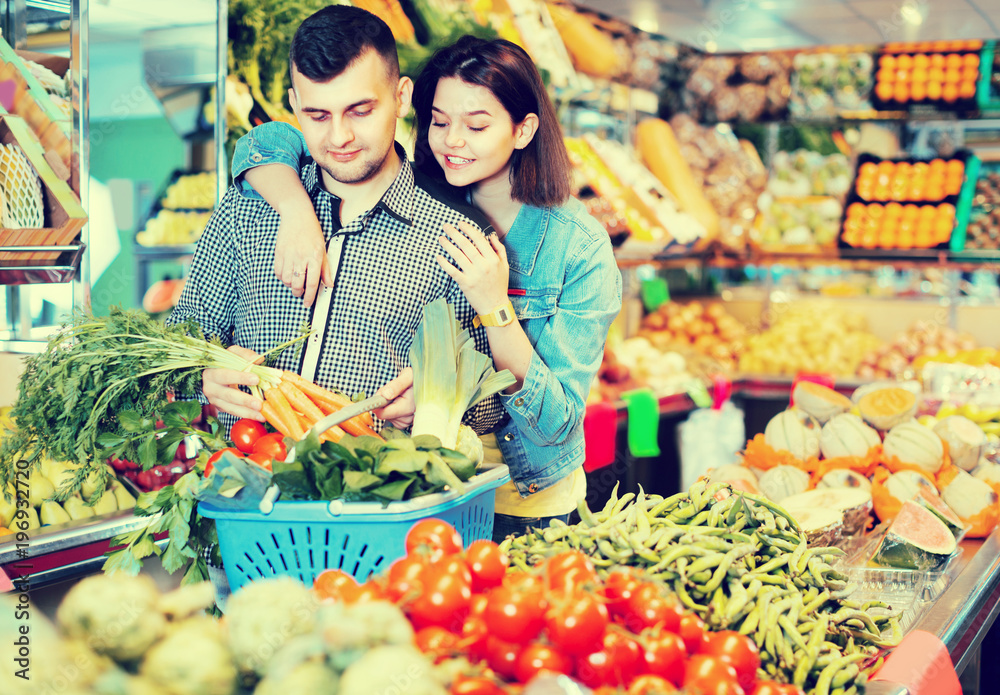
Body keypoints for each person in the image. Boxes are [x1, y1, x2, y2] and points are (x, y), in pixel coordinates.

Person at [231, 36, 622, 541]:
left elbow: (557, 423)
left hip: (524, 499)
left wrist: (494, 309)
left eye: (476, 125)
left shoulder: (576, 246)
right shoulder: (415, 198)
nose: (452, 142)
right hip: (429, 488)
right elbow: (263, 142)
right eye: (439, 122)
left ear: (523, 130)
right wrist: (295, 212)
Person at [167, 6, 501, 438]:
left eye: (360, 111)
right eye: (318, 116)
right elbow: (183, 338)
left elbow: (495, 404)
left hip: (376, 494)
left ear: (401, 97)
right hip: (244, 485)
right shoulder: (248, 207)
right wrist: (201, 379)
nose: (339, 137)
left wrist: (440, 399)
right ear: (294, 106)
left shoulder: (462, 237)